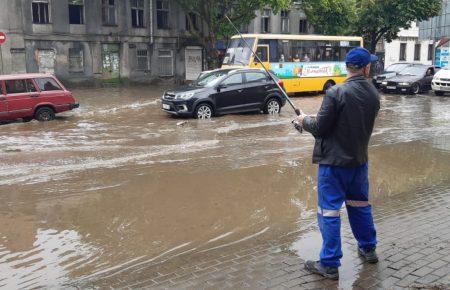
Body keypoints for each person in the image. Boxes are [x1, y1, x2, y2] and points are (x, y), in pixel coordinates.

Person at [296, 47, 380, 280]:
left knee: (329, 212)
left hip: (334, 166)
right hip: (359, 163)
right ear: (366, 68)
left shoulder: (336, 93)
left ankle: (330, 264)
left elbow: (321, 128)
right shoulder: (374, 94)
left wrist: (304, 120)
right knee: (360, 206)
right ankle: (368, 249)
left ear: (348, 67)